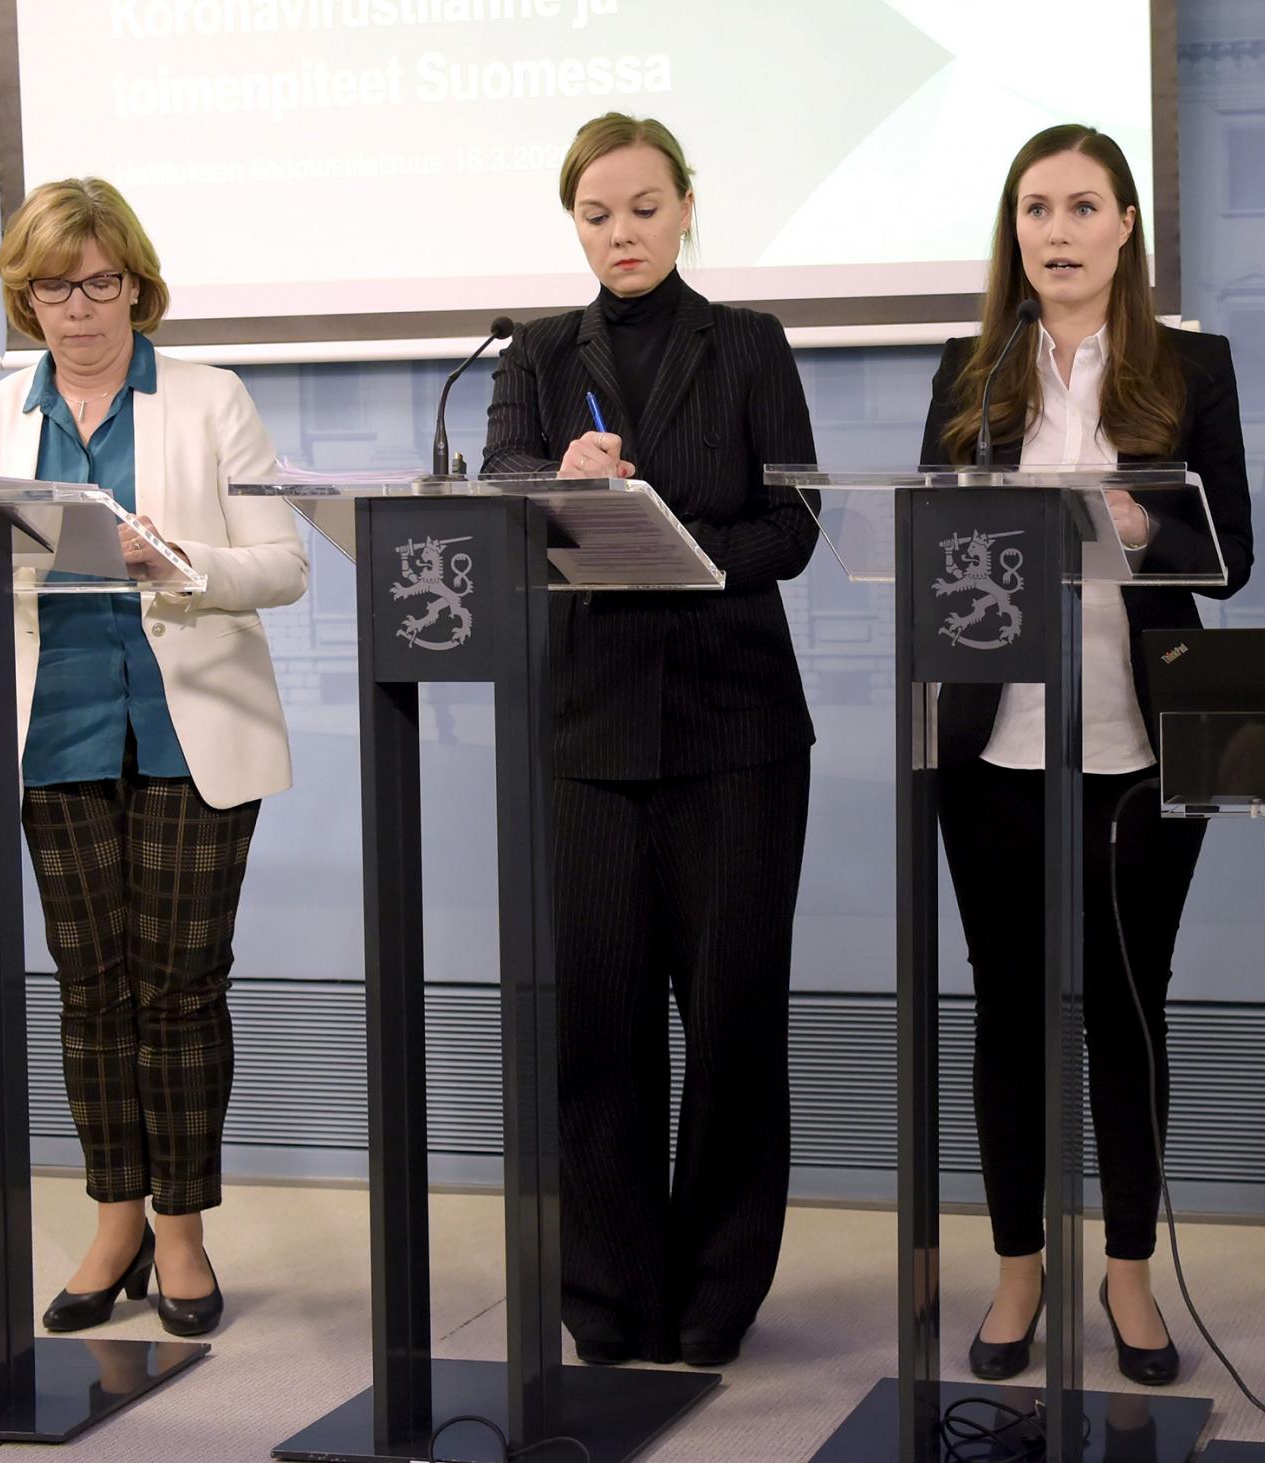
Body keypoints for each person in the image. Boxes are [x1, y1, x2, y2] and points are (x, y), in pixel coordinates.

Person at [482, 112, 819, 1369]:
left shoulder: (747, 345)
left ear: (685, 206)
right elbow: (506, 479)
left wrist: (667, 544)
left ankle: (713, 1296)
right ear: (571, 223)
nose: (620, 232)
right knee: (598, 1031)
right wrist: (554, 481)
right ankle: (611, 1301)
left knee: (732, 1026)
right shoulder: (530, 352)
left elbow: (791, 526)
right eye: (594, 213)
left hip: (735, 730)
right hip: (588, 732)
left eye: (641, 206)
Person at [918, 123, 1252, 1387]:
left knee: (1128, 1007)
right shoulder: (969, 366)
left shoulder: (1189, 366)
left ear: (1124, 228)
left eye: (1080, 207)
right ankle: (1017, 1268)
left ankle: (1124, 1271)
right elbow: (927, 544)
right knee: (1007, 1006)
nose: (1054, 231)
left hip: (1139, 735)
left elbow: (1234, 552)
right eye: (1033, 209)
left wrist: (1138, 520)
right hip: (989, 739)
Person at [0, 177, 308, 1338]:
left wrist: (180, 562)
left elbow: (284, 563)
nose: (78, 308)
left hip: (187, 727)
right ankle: (113, 1217)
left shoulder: (208, 398)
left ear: (136, 284)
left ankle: (182, 1228)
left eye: (99, 282)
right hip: (51, 728)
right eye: (53, 286)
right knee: (89, 989)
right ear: (27, 296)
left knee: (180, 989)